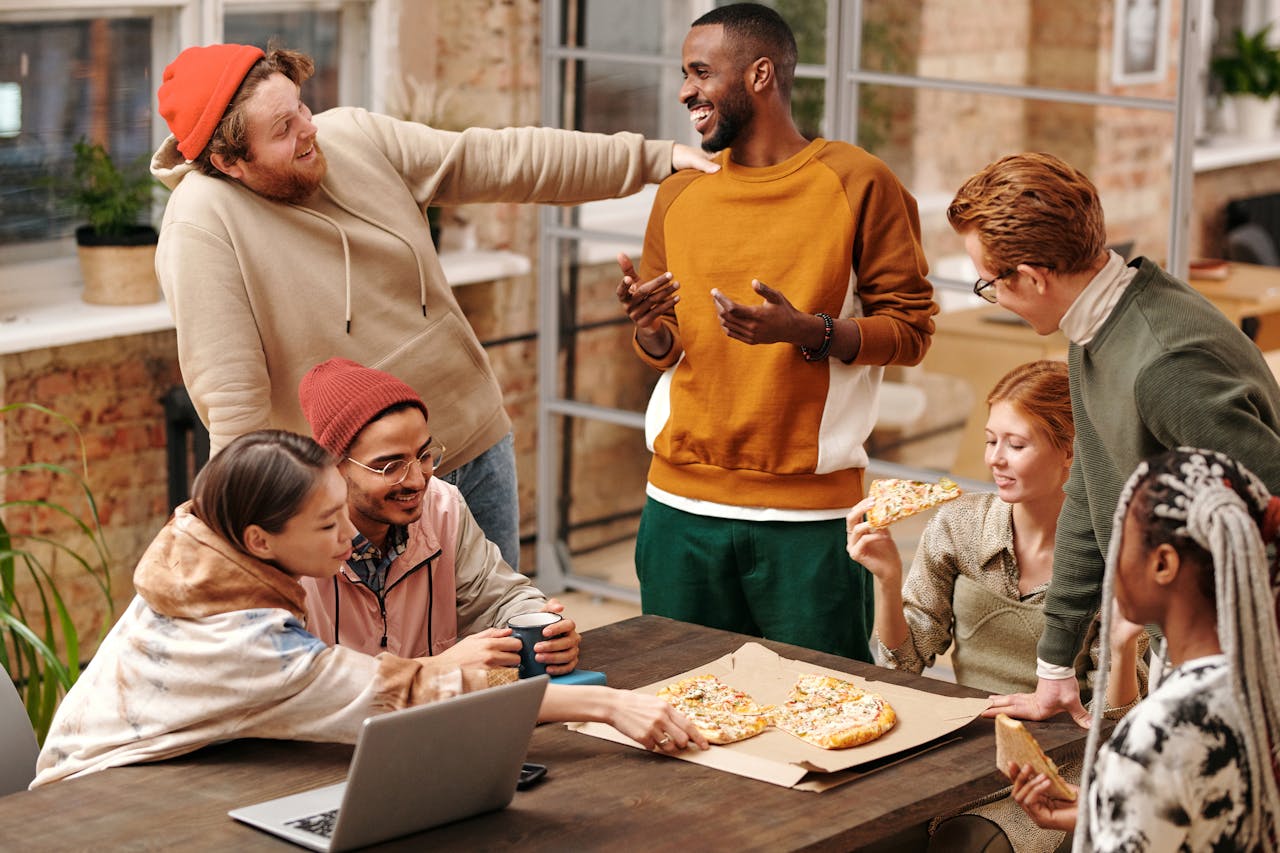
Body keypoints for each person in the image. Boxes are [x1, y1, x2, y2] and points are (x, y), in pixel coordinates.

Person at [151, 43, 717, 571]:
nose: (308, 131)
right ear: (230, 163)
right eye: (283, 129)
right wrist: (254, 539)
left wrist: (652, 158)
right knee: (398, 662)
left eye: (301, 108)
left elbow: (497, 159)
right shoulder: (202, 226)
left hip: (470, 437)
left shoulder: (351, 135)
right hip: (359, 493)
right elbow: (233, 403)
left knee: (501, 640)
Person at [31, 430, 707, 788]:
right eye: (327, 525)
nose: (348, 538)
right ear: (260, 538)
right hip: (100, 801)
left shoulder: (203, 551)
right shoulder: (246, 642)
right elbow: (415, 693)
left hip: (182, 769)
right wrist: (610, 706)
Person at [615, 3, 935, 661]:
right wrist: (649, 327)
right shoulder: (678, 193)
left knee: (819, 721)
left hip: (809, 525)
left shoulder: (858, 182)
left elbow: (911, 330)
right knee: (683, 710)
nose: (685, 92)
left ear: (760, 75)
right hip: (678, 508)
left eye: (700, 72)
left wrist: (811, 331)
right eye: (684, 74)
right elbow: (667, 347)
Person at [947, 152, 1280, 726]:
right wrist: (1054, 668)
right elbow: (1091, 491)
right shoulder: (1095, 328)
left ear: (1031, 277)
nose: (992, 296)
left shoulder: (1165, 367)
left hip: (1237, 657)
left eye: (987, 282)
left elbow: (1270, 515)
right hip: (1190, 642)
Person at [847, 360, 1145, 853]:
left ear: (1070, 452)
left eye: (1017, 444)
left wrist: (1125, 642)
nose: (995, 460)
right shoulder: (957, 526)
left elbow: (1116, 723)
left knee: (969, 843)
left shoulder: (1117, 549)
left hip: (1063, 759)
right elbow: (901, 664)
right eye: (991, 440)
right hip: (960, 744)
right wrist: (888, 579)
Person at [1009, 448, 1280, 852]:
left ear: (1163, 564)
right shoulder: (1258, 681)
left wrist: (1124, 790)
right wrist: (1104, 808)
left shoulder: (1160, 730)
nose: (1110, 561)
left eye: (1120, 540)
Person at [295, 357, 579, 674]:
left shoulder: (442, 506)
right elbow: (296, 685)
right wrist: (437, 668)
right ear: (334, 466)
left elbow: (497, 597)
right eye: (390, 466)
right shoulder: (289, 546)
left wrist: (545, 630)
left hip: (442, 719)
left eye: (424, 455)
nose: (417, 480)